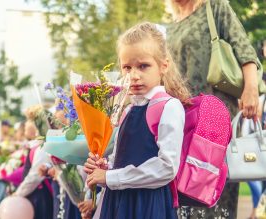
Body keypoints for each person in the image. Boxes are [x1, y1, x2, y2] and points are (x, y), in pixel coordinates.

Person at [84, 22, 189, 219]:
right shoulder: (128, 109)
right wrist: (104, 167)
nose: (134, 75)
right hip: (119, 202)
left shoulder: (168, 106)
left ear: (163, 66)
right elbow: (122, 158)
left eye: (143, 66)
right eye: (127, 67)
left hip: (147, 205)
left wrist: (111, 177)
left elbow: (166, 168)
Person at [166, 0, 260, 218]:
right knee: (184, 201)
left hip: (214, 122)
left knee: (215, 199)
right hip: (182, 124)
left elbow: (245, 50)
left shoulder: (215, 7)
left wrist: (251, 90)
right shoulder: (173, 25)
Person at [14, 106, 53, 219]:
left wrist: (18, 193)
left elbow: (35, 176)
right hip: (35, 194)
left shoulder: (42, 148)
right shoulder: (36, 146)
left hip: (40, 197)